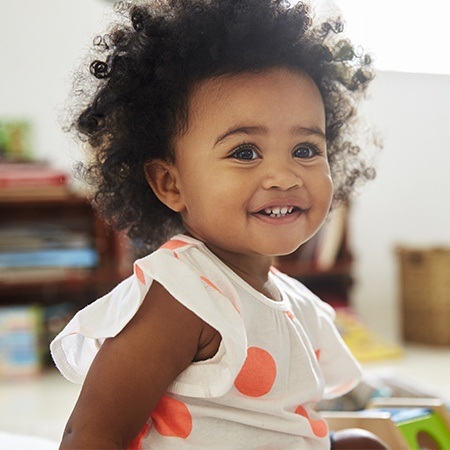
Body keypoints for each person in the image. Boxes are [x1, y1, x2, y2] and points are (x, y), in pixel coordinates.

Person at [51, 0, 387, 448]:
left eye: (306, 150)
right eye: (245, 152)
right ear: (171, 183)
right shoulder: (183, 296)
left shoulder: (294, 301)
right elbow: (91, 434)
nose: (284, 176)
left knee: (363, 443)